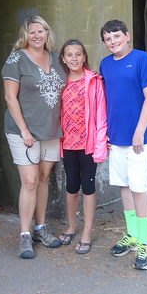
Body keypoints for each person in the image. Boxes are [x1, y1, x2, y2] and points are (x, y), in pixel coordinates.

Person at [2, 15, 67, 259]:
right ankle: (25, 235)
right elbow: (10, 98)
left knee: (43, 177)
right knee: (29, 180)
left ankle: (41, 228)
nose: (37, 36)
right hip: (23, 131)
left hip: (50, 129)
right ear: (25, 35)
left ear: (47, 33)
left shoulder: (55, 58)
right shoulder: (16, 59)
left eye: (41, 31)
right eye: (32, 32)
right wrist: (24, 130)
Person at [99, 19, 147, 270]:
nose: (113, 42)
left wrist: (139, 131)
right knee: (124, 186)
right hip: (116, 138)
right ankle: (132, 235)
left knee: (138, 188)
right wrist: (105, 134)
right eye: (108, 39)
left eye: (117, 37)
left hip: (138, 139)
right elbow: (104, 100)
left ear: (127, 36)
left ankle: (146, 243)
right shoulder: (104, 64)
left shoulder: (141, 58)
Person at [57, 39, 107, 254]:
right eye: (69, 55)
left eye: (78, 54)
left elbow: (101, 114)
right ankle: (70, 226)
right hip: (67, 143)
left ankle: (86, 231)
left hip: (88, 144)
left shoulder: (94, 81)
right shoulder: (60, 81)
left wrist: (100, 144)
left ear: (84, 57)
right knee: (71, 185)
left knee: (88, 185)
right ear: (63, 59)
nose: (74, 58)